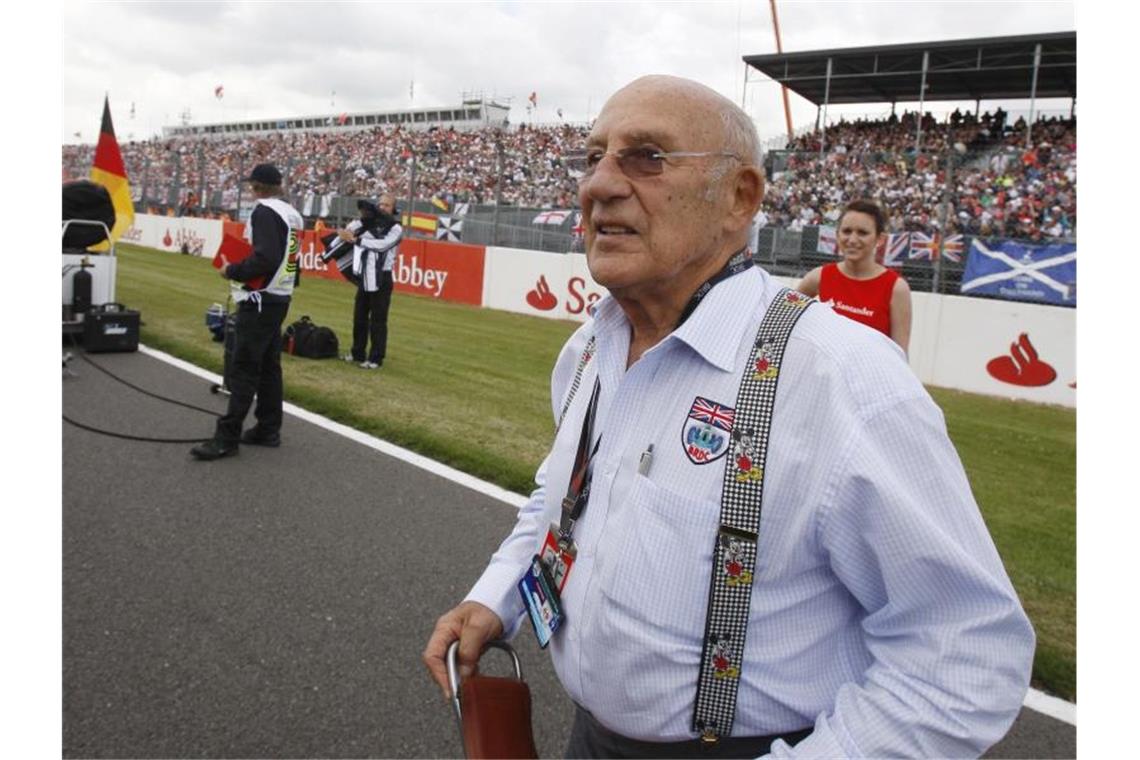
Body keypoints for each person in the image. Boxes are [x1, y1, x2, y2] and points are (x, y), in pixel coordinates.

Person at [422, 75, 1035, 758]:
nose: (599, 184)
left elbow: (965, 649)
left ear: (739, 199)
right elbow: (562, 501)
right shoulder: (590, 348)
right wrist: (496, 596)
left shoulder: (840, 376)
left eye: (646, 157)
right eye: (592, 156)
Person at [191, 163, 302, 460]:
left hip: (260, 296)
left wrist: (233, 270)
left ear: (257, 187)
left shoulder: (264, 210)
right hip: (280, 295)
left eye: (251, 186)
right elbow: (290, 260)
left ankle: (227, 437)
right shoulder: (293, 213)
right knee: (268, 366)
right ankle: (268, 427)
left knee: (244, 366)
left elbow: (265, 257)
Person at [796, 199, 913, 354]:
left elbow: (900, 356)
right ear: (837, 235)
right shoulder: (819, 277)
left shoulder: (896, 288)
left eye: (862, 233)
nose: (852, 240)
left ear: (880, 239)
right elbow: (785, 319)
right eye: (846, 231)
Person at [339, 193, 402, 369]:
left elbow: (382, 246)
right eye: (380, 204)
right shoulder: (369, 223)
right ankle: (357, 353)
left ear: (394, 209)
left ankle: (376, 358)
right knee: (359, 316)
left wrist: (358, 240)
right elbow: (349, 229)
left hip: (382, 276)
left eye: (387, 205)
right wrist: (360, 220)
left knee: (378, 319)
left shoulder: (396, 228)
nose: (382, 207)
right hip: (365, 274)